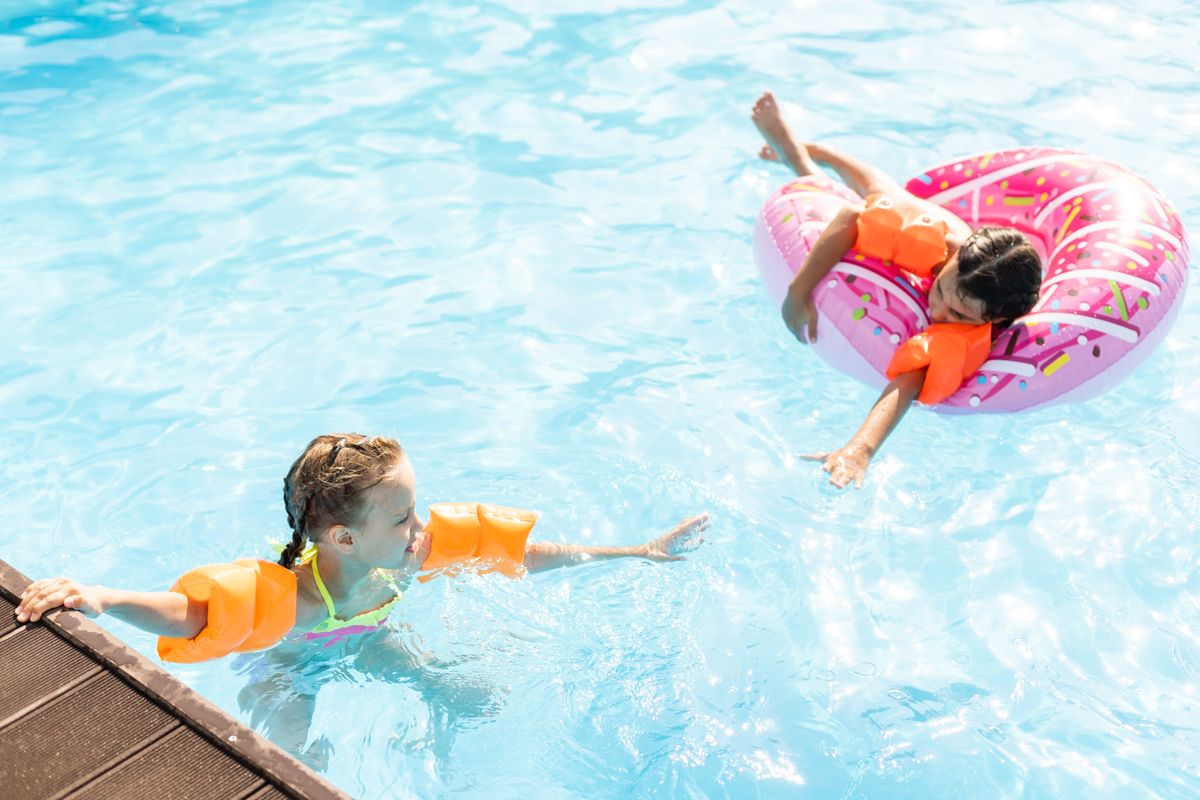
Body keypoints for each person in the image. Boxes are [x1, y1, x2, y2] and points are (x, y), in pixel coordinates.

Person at [14, 433, 708, 766]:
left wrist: (637, 552)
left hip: (370, 632)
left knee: (462, 691)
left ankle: (429, 688)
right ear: (343, 538)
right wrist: (101, 597)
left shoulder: (413, 550)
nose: (422, 526)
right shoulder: (294, 600)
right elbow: (192, 612)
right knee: (288, 754)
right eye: (403, 516)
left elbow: (520, 554)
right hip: (298, 664)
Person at [751, 92, 1042, 489]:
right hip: (928, 227)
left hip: (980, 274)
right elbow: (854, 216)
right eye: (940, 290)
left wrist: (860, 449)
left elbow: (909, 381)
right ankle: (811, 154)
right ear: (949, 265)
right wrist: (798, 293)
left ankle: (803, 156)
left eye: (957, 315)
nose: (937, 310)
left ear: (993, 320)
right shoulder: (945, 246)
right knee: (877, 195)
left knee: (882, 197)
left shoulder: (981, 320)